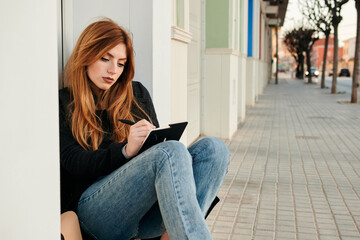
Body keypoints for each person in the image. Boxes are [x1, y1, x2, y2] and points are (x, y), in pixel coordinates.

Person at [59, 18, 230, 240]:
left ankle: (174, 234)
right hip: (96, 215)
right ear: (86, 55)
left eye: (121, 63)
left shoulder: (137, 94)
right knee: (172, 152)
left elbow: (158, 151)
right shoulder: (64, 102)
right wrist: (126, 150)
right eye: (105, 59)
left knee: (215, 149)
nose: (113, 70)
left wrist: (155, 145)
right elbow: (73, 162)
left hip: (144, 216)